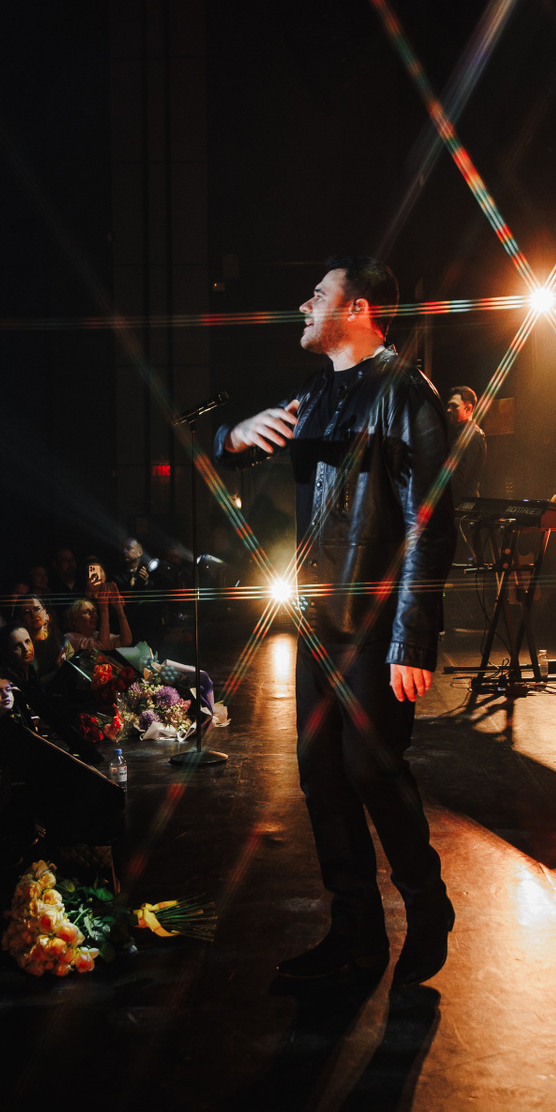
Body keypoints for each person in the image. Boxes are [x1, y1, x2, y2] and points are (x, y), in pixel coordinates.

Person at [214, 256, 455, 984]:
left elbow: (431, 524)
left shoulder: (407, 394)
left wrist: (412, 637)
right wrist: (234, 435)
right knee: (321, 776)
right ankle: (355, 936)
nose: (304, 306)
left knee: (371, 770)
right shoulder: (320, 392)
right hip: (319, 623)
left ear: (357, 309)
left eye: (318, 295)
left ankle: (427, 904)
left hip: (376, 626)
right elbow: (239, 450)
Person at [444, 386, 487, 500]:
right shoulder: (460, 435)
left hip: (462, 505)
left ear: (468, 409)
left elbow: (459, 480)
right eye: (448, 406)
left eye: (454, 406)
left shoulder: (472, 437)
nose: (448, 410)